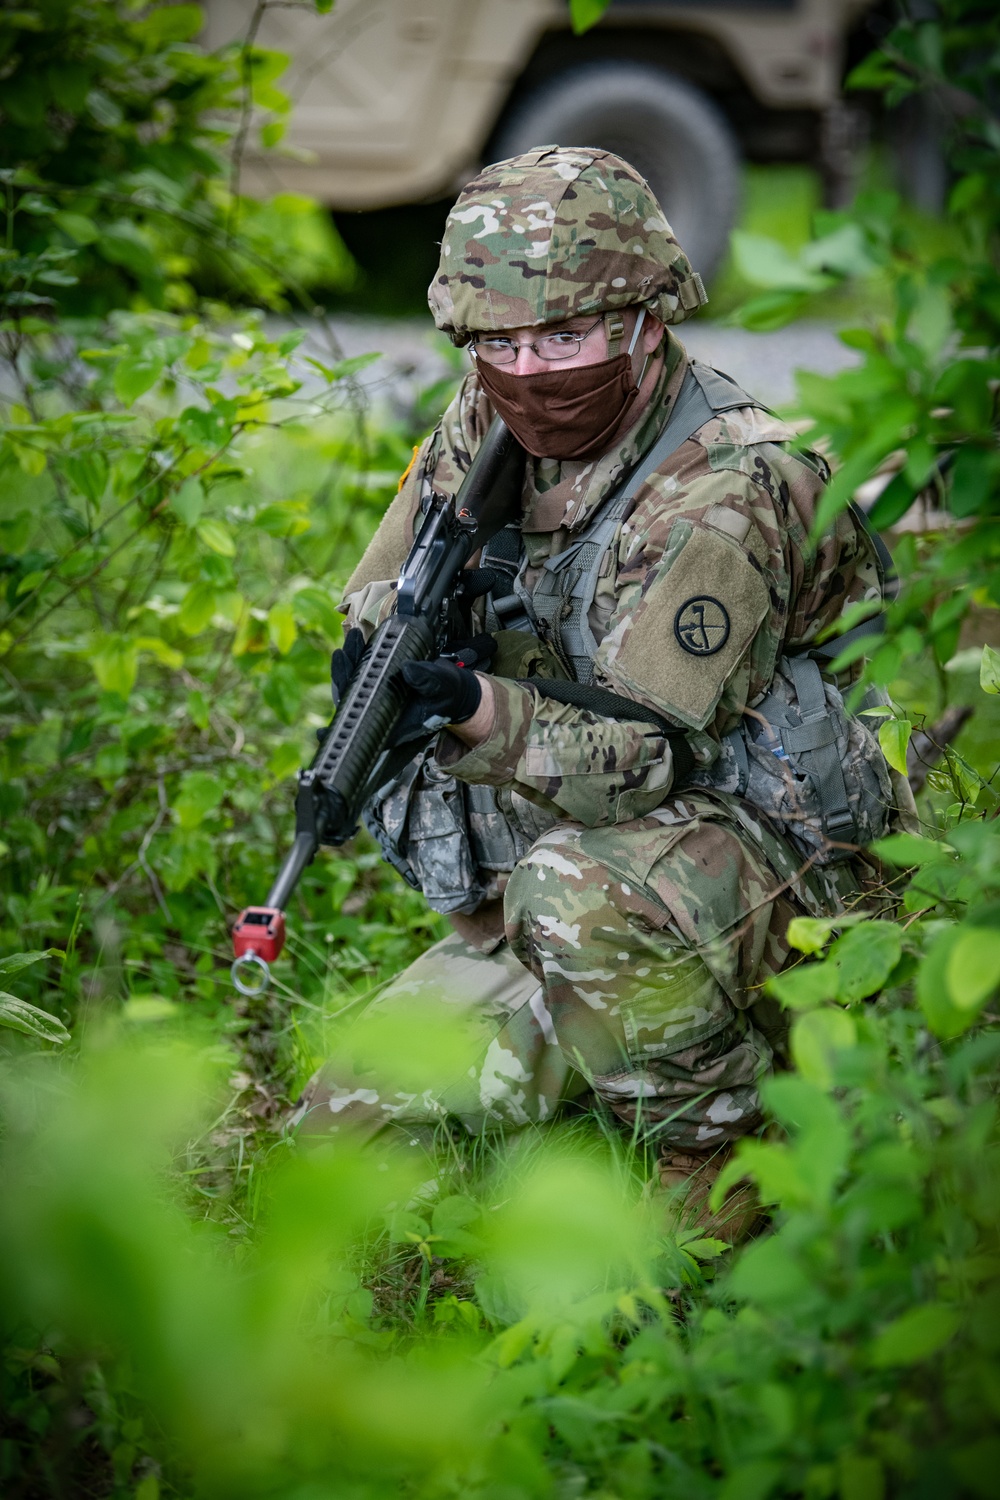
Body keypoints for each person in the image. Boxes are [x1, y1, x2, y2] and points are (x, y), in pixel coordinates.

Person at [291, 146, 907, 1236]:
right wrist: (386, 668)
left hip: (780, 852)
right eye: (499, 343)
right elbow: (384, 597)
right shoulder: (489, 424)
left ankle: (723, 1137)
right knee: (346, 1129)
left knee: (573, 893)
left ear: (645, 322)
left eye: (564, 337)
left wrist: (475, 712)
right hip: (613, 861)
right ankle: (600, 1006)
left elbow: (646, 760)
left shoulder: (731, 485)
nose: (529, 370)